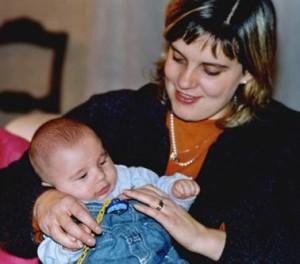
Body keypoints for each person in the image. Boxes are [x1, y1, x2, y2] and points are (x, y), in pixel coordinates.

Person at [0, 0, 299, 262]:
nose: (185, 81)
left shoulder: (286, 141)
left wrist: (203, 238)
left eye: (210, 70)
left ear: (249, 71)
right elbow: (10, 187)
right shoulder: (118, 114)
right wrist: (42, 204)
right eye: (178, 58)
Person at [28, 117, 199, 263]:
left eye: (103, 161)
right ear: (51, 185)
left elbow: (169, 205)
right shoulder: (62, 214)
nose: (100, 175)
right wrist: (68, 247)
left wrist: (177, 191)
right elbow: (49, 256)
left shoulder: (132, 179)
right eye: (82, 176)